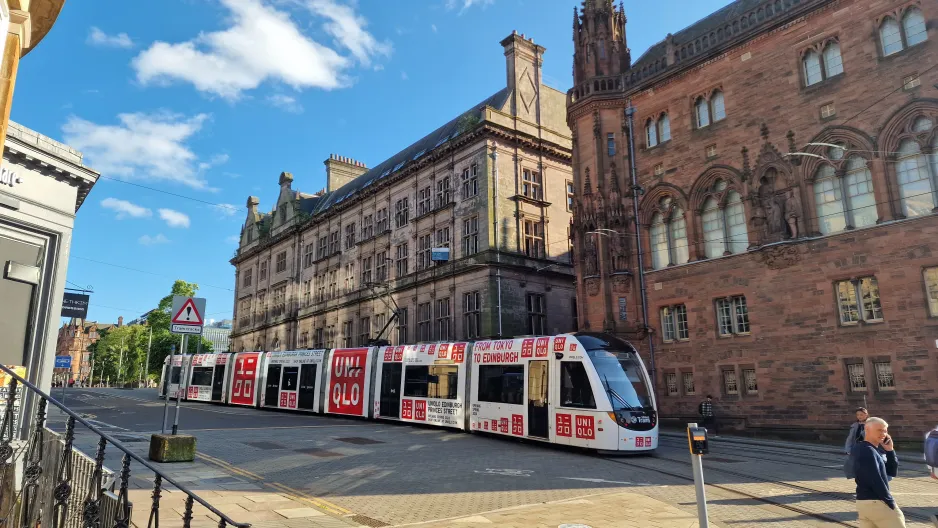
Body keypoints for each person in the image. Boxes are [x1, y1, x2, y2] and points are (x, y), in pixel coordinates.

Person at [854, 417, 906, 528]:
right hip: (877, 503)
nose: (883, 433)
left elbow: (891, 472)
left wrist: (890, 450)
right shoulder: (867, 450)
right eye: (879, 430)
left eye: (885, 430)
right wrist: (889, 501)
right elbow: (874, 478)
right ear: (867, 430)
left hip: (864, 504)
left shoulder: (871, 449)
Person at [844, 407, 869, 479]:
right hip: (856, 448)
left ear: (866, 415)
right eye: (857, 415)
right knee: (855, 467)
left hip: (866, 449)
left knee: (866, 467)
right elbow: (850, 438)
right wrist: (848, 450)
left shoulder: (870, 425)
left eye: (861, 414)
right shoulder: (854, 425)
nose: (859, 416)